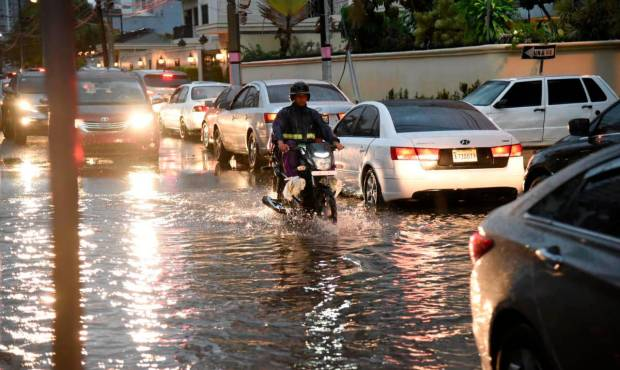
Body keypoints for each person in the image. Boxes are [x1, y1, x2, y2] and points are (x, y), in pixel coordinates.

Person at [272, 81, 344, 178]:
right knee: (291, 149)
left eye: (304, 96)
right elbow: (277, 127)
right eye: (299, 96)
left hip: (310, 149)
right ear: (293, 98)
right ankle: (292, 180)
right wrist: (281, 143)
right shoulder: (285, 113)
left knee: (324, 149)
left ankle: (328, 180)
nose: (302, 99)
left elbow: (324, 127)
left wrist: (335, 142)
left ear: (307, 97)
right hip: (292, 148)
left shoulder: (313, 114)